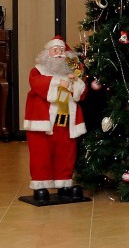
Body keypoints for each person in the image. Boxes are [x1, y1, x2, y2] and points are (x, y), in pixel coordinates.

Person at [23, 35, 87, 202]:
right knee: (41, 153)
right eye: (55, 50)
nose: (59, 53)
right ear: (47, 53)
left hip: (66, 120)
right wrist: (58, 82)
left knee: (66, 152)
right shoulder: (38, 70)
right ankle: (40, 185)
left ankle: (63, 183)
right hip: (44, 121)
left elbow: (82, 93)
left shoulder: (72, 71)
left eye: (62, 51)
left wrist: (75, 83)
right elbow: (36, 83)